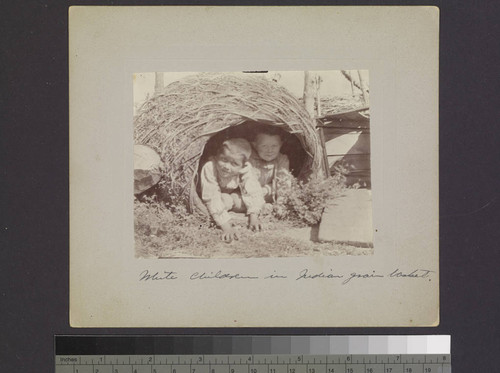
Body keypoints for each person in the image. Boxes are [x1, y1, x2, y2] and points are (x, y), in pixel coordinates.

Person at [200, 138, 264, 242]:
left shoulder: (245, 169)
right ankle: (223, 212)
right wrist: (226, 227)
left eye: (234, 164)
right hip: (213, 195)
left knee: (241, 202)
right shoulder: (210, 167)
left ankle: (231, 202)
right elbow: (212, 197)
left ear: (243, 165)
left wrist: (254, 216)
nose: (226, 166)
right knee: (224, 201)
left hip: (230, 195)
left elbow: (254, 191)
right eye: (223, 160)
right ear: (216, 156)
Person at [249, 127, 290, 203]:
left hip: (270, 193)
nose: (269, 150)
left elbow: (283, 182)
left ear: (281, 145)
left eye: (274, 146)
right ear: (255, 145)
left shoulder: (282, 159)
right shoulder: (250, 159)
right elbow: (248, 184)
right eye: (264, 146)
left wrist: (280, 201)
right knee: (237, 201)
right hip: (251, 195)